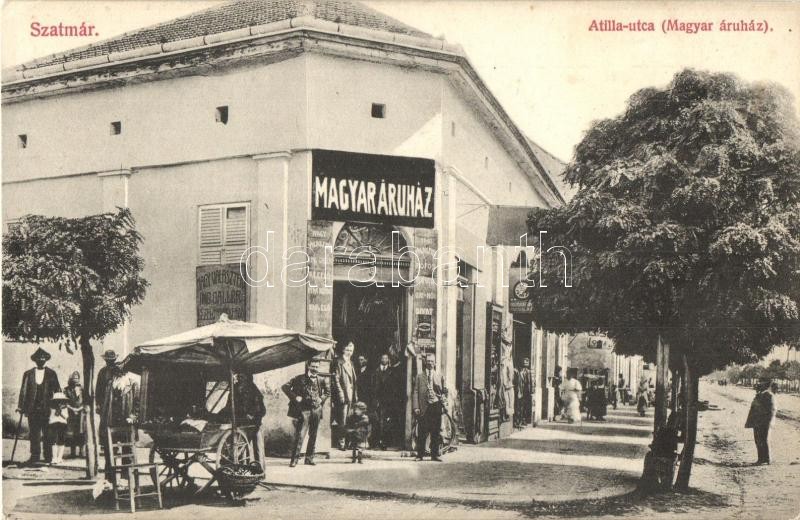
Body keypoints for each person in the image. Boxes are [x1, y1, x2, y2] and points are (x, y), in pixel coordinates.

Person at [97, 350, 139, 483]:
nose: (119, 373)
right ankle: (109, 479)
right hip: (111, 421)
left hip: (126, 421)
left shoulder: (133, 384)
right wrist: (103, 413)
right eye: (117, 372)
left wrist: (133, 416)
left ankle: (126, 478)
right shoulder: (109, 383)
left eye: (121, 371)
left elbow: (138, 403)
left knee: (127, 450)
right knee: (110, 450)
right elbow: (100, 397)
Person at [17, 347, 61, 465]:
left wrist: (58, 407)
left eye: (43, 358)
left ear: (46, 359)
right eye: (38, 358)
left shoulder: (51, 373)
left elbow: (57, 391)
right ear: (35, 360)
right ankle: (35, 456)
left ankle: (48, 456)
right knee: (34, 434)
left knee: (48, 434)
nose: (41, 359)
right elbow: (23, 391)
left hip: (47, 409)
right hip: (32, 409)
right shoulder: (28, 374)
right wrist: (21, 406)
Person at [282, 359, 330, 467]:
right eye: (313, 366)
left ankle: (309, 458)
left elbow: (328, 392)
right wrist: (295, 397)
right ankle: (294, 460)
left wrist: (321, 399)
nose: (315, 369)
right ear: (308, 366)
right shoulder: (299, 378)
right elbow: (285, 387)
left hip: (316, 410)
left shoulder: (321, 379)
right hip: (304, 410)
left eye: (317, 367)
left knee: (313, 435)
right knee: (300, 435)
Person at [412, 354, 448, 461]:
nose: (430, 363)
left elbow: (444, 391)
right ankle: (420, 455)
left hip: (436, 406)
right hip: (424, 407)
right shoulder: (419, 376)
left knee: (435, 432)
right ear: (425, 362)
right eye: (428, 361)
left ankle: (434, 455)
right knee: (422, 432)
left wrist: (444, 402)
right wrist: (416, 407)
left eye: (432, 361)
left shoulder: (439, 376)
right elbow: (415, 392)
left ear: (435, 363)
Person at [229, 373, 266, 462]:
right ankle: (242, 465)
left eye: (242, 377)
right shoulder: (234, 389)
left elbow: (260, 408)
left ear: (247, 378)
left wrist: (251, 414)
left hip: (254, 422)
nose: (239, 379)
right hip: (240, 422)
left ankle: (259, 467)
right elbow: (229, 405)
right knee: (241, 445)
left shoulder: (253, 390)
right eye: (238, 377)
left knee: (257, 445)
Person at [331, 342, 358, 450]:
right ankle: (341, 442)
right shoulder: (339, 362)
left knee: (349, 419)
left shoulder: (351, 363)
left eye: (351, 350)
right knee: (342, 420)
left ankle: (348, 442)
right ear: (343, 350)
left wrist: (355, 395)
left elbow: (353, 382)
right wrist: (341, 394)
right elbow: (336, 380)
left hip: (351, 395)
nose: (349, 352)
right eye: (347, 350)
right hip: (343, 395)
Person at [745, 378, 776, 465]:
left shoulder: (769, 395)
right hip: (757, 422)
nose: (758, 385)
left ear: (765, 385)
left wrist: (768, 421)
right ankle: (761, 459)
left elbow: (772, 410)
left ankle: (767, 459)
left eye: (761, 384)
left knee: (764, 440)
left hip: (764, 422)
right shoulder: (760, 394)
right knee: (758, 440)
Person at [371, 353, 395, 449]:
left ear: (388, 360)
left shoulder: (391, 371)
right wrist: (374, 399)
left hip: (388, 401)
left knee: (386, 422)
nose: (384, 360)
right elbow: (373, 386)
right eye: (383, 358)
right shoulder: (376, 371)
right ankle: (376, 442)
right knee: (377, 421)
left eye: (386, 358)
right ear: (380, 359)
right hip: (378, 400)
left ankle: (384, 442)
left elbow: (394, 387)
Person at [64, 371, 85, 458]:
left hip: (81, 414)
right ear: (71, 379)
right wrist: (73, 409)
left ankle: (81, 452)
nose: (75, 380)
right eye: (74, 378)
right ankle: (73, 452)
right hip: (71, 413)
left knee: (81, 432)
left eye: (77, 378)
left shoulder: (82, 389)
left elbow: (86, 401)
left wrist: (79, 409)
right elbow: (64, 402)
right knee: (71, 433)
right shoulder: (67, 389)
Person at [48, 392, 70, 465]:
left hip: (62, 424)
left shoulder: (65, 408)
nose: (59, 402)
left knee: (61, 441)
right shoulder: (51, 407)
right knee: (53, 441)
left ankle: (59, 458)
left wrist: (61, 412)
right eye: (57, 400)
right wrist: (56, 411)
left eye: (61, 400)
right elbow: (51, 416)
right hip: (54, 424)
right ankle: (54, 458)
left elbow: (66, 417)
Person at [514, 358, 534, 427]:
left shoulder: (529, 372)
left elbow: (531, 382)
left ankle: (524, 420)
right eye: (524, 364)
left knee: (526, 407)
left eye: (527, 364)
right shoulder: (520, 372)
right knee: (520, 406)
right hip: (521, 391)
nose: (525, 365)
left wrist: (531, 391)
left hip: (527, 392)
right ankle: (519, 420)